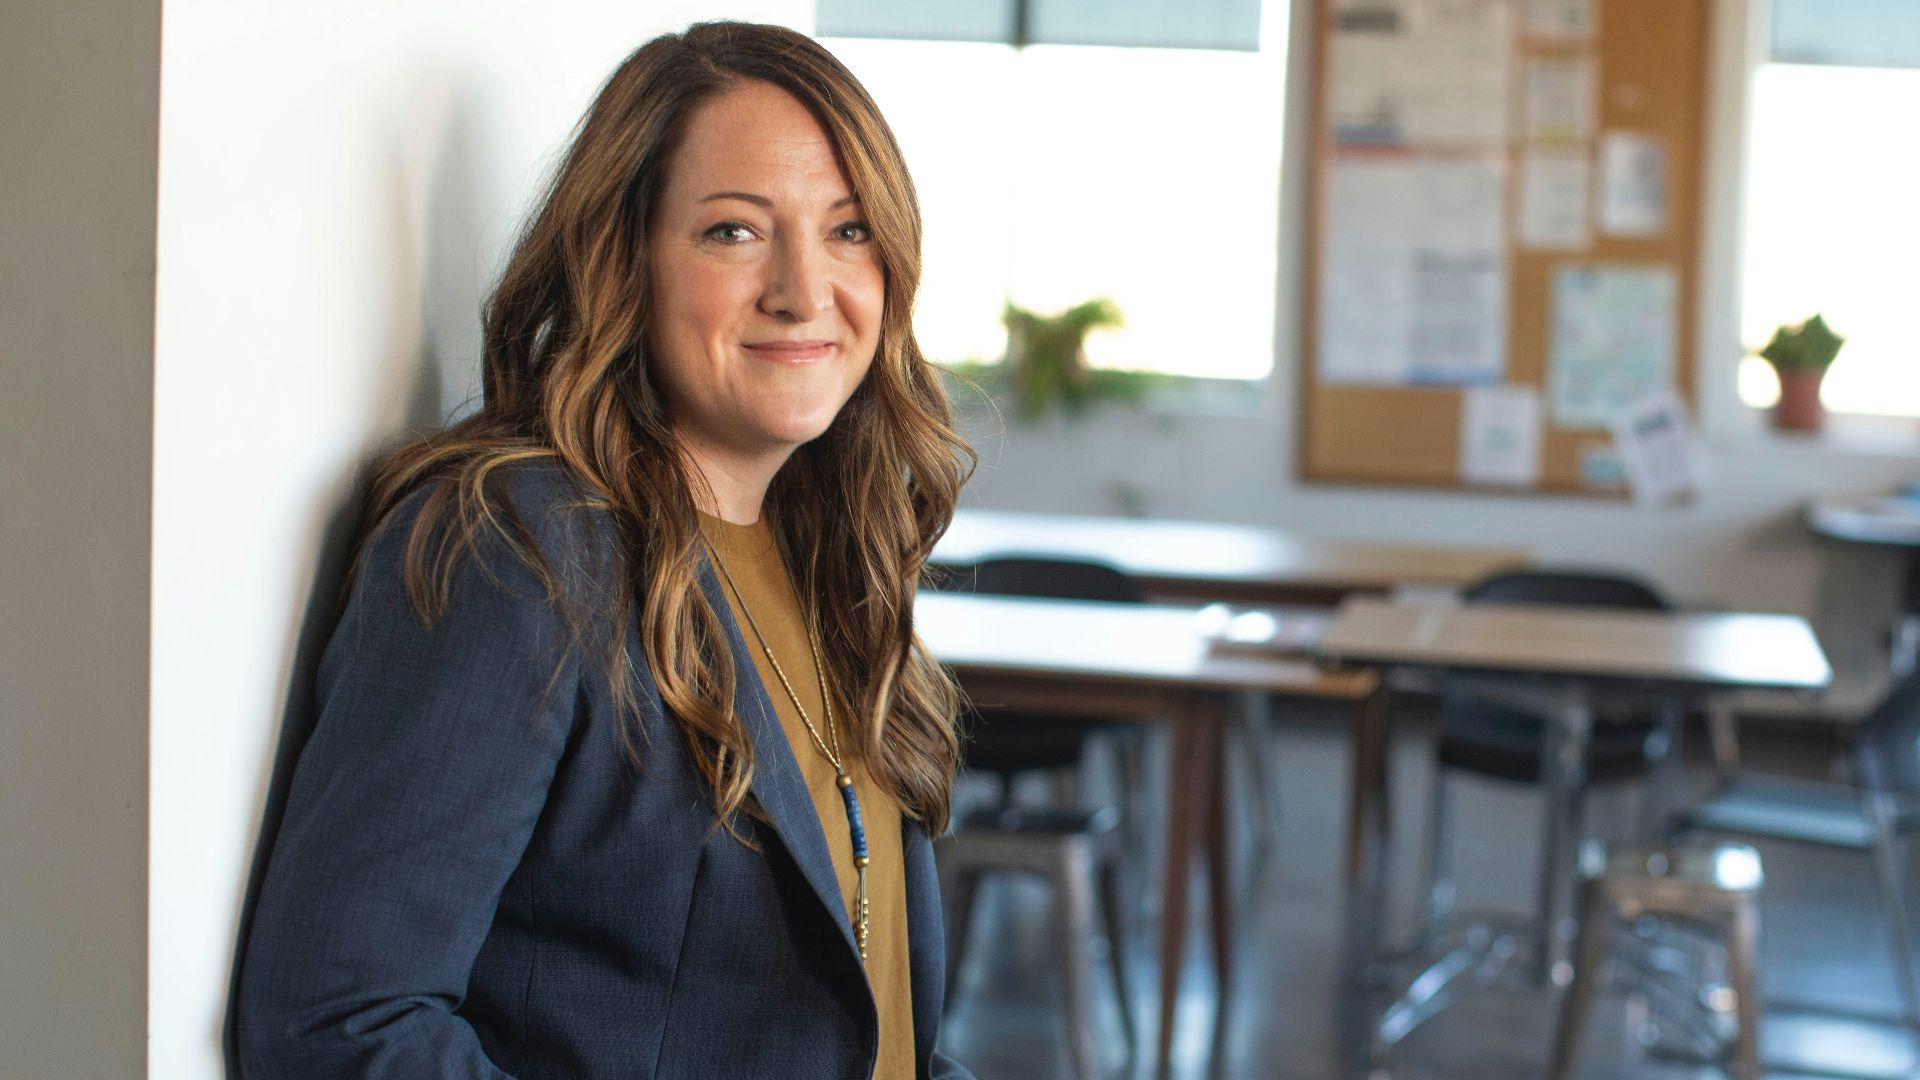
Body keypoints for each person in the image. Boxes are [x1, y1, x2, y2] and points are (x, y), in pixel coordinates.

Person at [236, 21, 976, 1080]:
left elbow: (887, 1027)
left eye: (850, 230)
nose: (806, 291)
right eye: (733, 232)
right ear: (625, 257)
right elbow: (337, 1019)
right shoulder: (519, 550)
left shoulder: (832, 556)